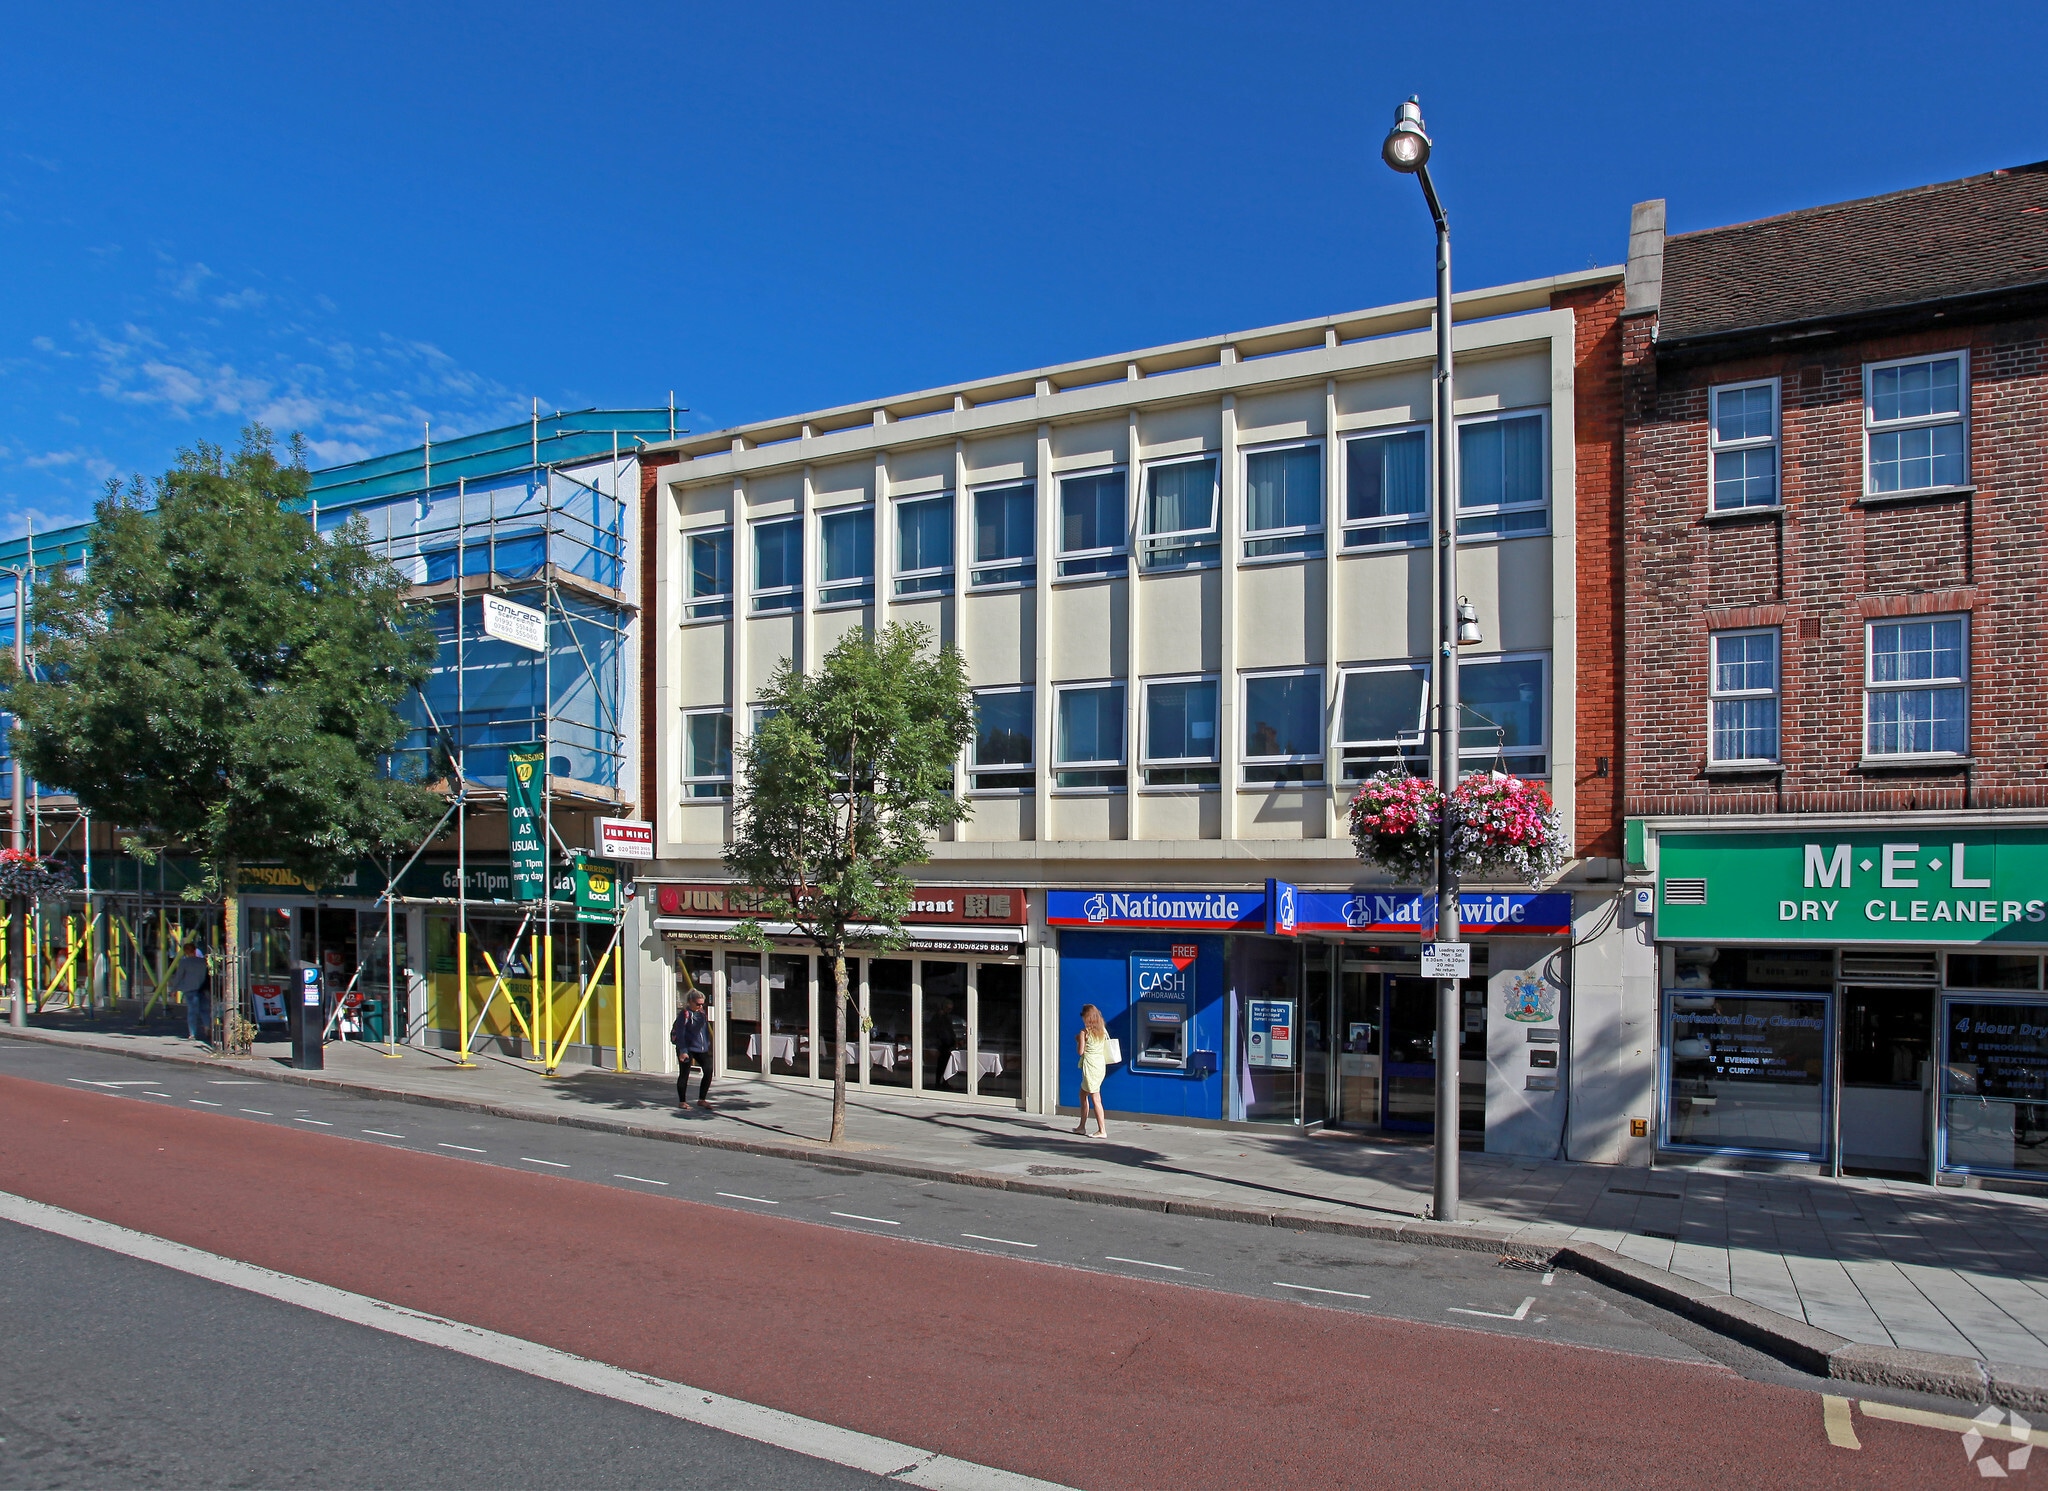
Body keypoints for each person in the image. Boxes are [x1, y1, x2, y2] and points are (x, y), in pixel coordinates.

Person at [670, 989, 713, 1110]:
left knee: (708, 1069)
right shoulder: (684, 1014)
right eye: (698, 1004)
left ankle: (702, 1099)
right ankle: (682, 1101)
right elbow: (680, 1032)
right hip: (687, 1047)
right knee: (684, 1073)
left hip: (700, 1048)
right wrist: (683, 1051)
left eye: (702, 1004)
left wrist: (707, 1044)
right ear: (690, 1002)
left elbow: (703, 1031)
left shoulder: (702, 1013)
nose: (700, 1006)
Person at [1073, 1003, 1110, 1139]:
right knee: (1083, 1094)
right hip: (1100, 1065)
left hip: (1090, 1067)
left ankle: (1102, 1130)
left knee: (1095, 1098)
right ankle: (1081, 1126)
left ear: (1086, 1018)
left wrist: (1078, 1040)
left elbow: (1080, 1051)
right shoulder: (1102, 1030)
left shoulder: (1085, 1033)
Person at [171, 943, 211, 1046]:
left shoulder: (184, 962)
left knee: (192, 1012)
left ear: (185, 952)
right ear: (195, 950)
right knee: (204, 1010)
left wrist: (174, 989)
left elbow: (179, 976)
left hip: (190, 989)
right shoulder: (203, 961)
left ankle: (192, 1033)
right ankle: (207, 1026)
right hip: (203, 988)